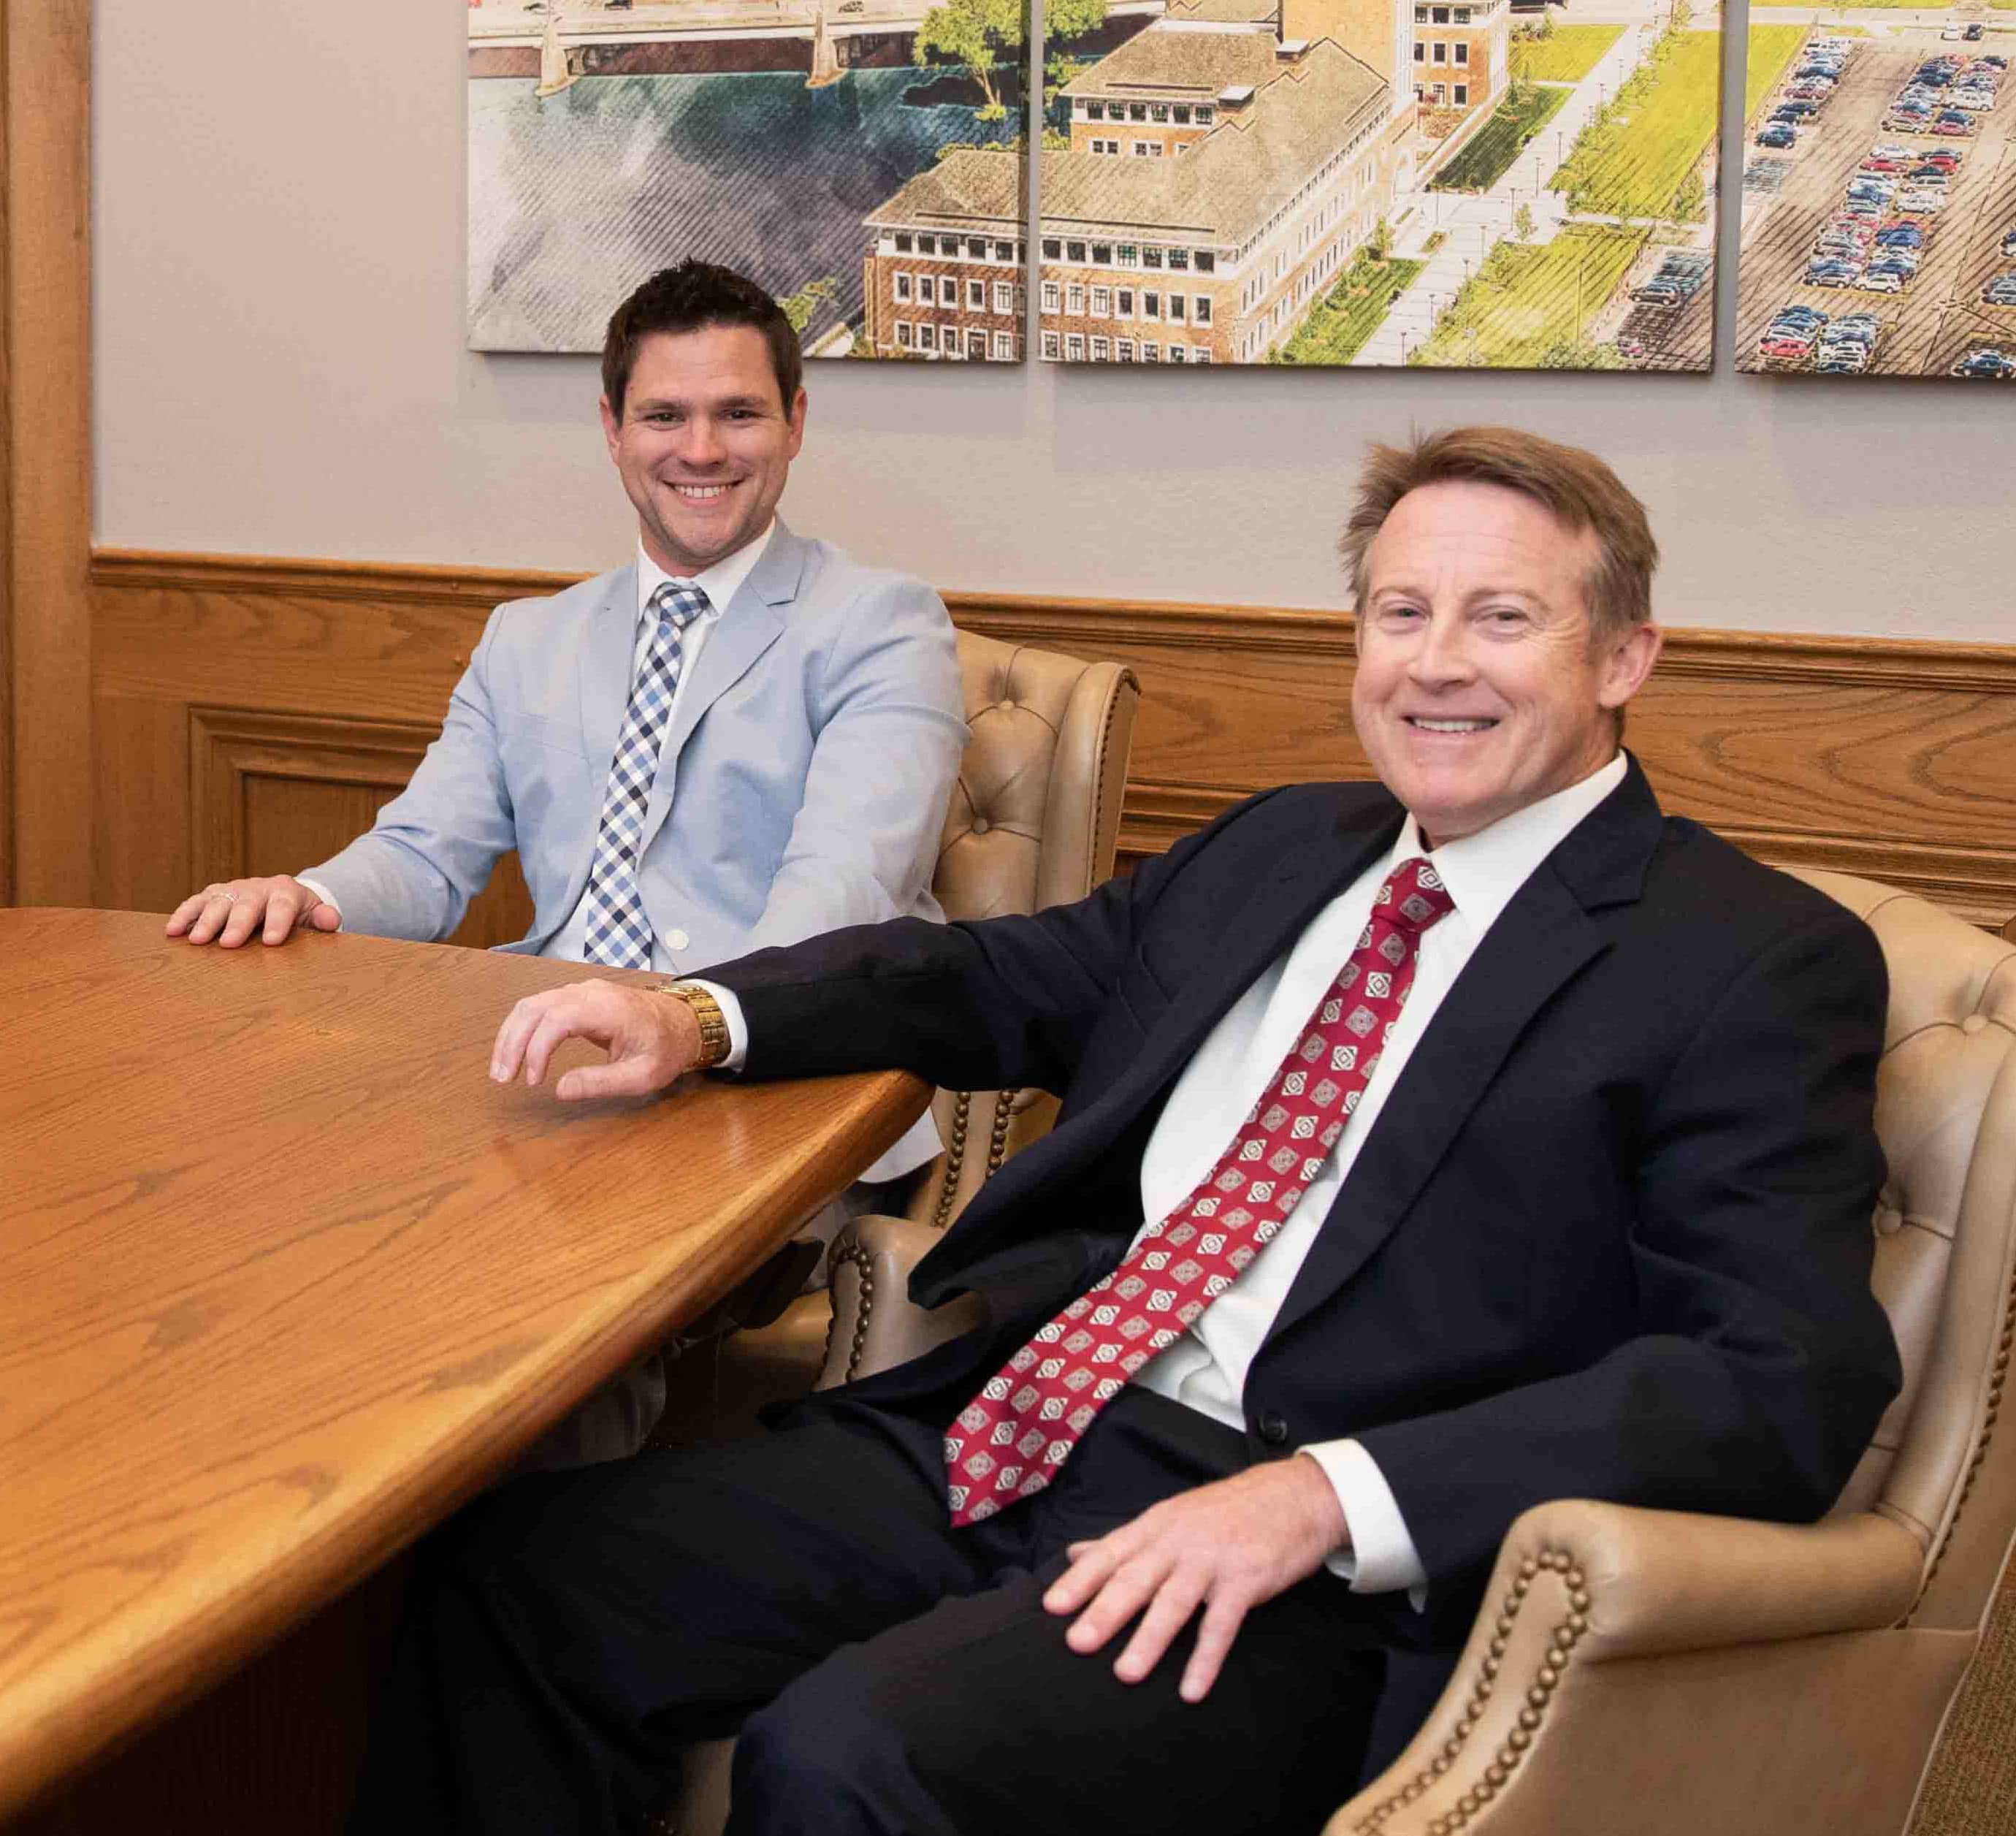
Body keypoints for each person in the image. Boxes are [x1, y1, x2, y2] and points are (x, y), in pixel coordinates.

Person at [353, 427, 1900, 1835]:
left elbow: (1778, 1376)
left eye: (1502, 619)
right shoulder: (1288, 845)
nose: (1436, 665)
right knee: (516, 1581)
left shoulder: (1748, 960)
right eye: (1400, 612)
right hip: (1025, 1422)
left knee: (851, 1755)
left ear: (1626, 656)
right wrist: (700, 1014)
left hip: (1302, 1564)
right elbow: (994, 977)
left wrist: (1328, 1497)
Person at [167, 259, 966, 1460]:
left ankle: (546, 1566)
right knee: (290, 1240)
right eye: (665, 414)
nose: (702, 449)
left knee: (553, 1318)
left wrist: (686, 1021)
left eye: (739, 412)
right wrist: (309, 894)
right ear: (612, 429)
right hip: (546, 1074)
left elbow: (838, 898)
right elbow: (424, 855)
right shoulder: (526, 641)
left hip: (770, 1088)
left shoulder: (882, 626)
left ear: (796, 422)